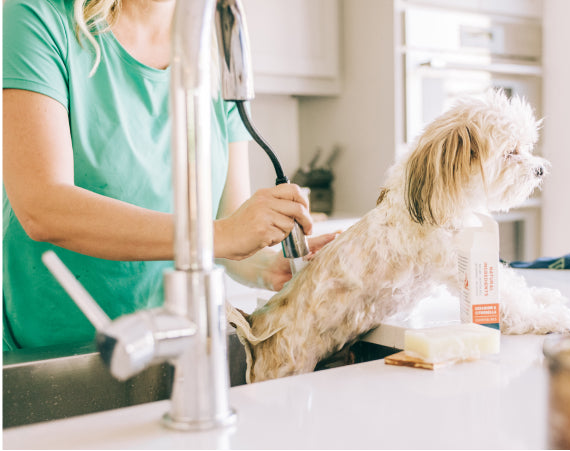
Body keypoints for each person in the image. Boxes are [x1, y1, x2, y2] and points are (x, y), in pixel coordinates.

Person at [2, 0, 335, 350]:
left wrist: (267, 265)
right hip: (56, 352)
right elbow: (43, 207)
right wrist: (222, 234)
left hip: (178, 346)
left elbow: (225, 228)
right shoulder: (38, 15)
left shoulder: (217, 39)